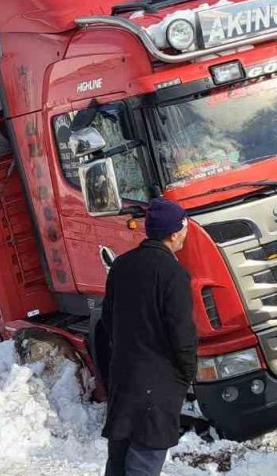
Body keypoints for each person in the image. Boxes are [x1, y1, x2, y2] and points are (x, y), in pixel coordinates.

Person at [100, 197, 198, 476]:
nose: (185, 233)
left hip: (124, 379)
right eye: (184, 227)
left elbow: (108, 319)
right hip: (157, 386)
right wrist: (187, 372)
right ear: (174, 232)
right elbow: (181, 332)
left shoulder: (121, 266)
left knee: (117, 463)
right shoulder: (174, 274)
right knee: (144, 464)